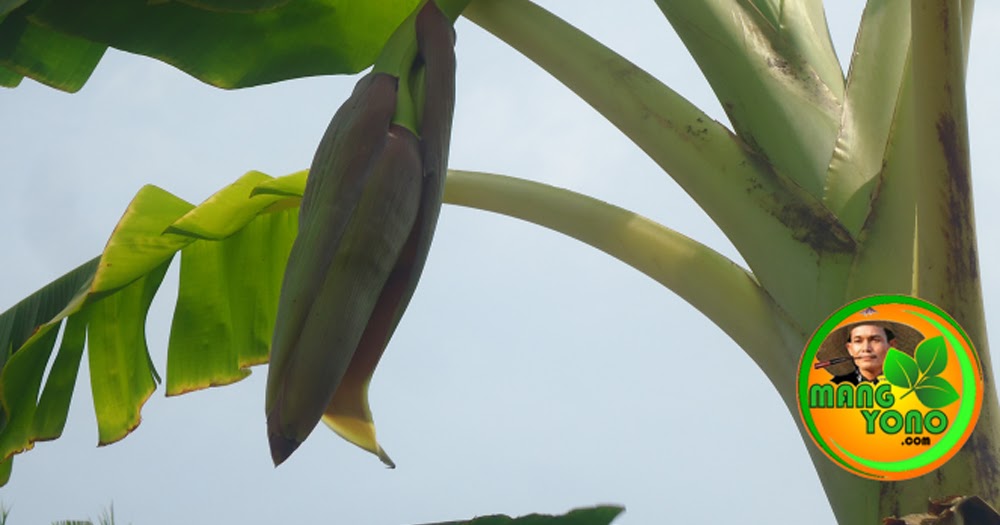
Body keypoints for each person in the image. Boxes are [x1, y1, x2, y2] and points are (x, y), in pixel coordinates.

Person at [831, 323, 895, 385]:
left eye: (875, 340)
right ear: (849, 348)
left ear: (891, 346)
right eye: (858, 341)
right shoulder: (836, 386)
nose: (866, 348)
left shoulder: (903, 383)